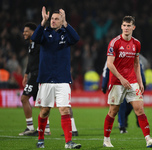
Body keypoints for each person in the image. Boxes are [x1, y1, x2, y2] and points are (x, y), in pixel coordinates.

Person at [103, 16, 152, 148]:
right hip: (117, 81)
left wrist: (140, 82)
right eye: (124, 25)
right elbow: (110, 64)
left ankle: (148, 139)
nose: (126, 28)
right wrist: (121, 79)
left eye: (129, 26)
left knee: (139, 109)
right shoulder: (114, 43)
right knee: (113, 111)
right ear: (121, 27)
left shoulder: (136, 43)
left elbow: (136, 64)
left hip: (132, 80)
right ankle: (106, 140)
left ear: (133, 27)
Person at [31, 6, 81, 149]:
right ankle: (41, 139)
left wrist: (66, 22)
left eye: (56, 19)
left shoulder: (66, 34)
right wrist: (43, 22)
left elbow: (76, 38)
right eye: (52, 19)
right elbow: (34, 38)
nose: (53, 21)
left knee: (64, 109)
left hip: (63, 79)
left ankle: (68, 142)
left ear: (61, 21)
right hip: (46, 78)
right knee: (45, 110)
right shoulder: (44, 33)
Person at [19, 22, 51, 136]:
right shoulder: (31, 44)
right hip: (33, 75)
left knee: (24, 98)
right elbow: (31, 61)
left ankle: (30, 127)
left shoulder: (39, 43)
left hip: (39, 75)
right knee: (40, 103)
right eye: (24, 31)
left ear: (33, 32)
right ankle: (45, 129)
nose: (24, 33)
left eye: (26, 31)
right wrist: (26, 74)